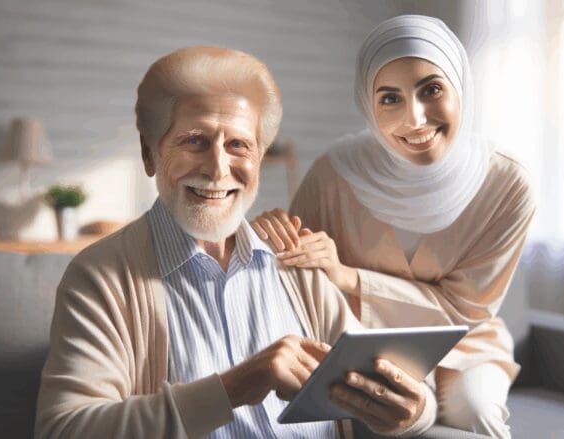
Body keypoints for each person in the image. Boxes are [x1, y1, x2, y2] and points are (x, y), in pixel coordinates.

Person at [34, 46, 438, 439]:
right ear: (149, 154)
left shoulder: (295, 262)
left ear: (258, 159)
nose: (217, 168)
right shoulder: (101, 276)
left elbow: (388, 379)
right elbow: (63, 430)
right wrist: (235, 387)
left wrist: (414, 409)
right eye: (194, 140)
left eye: (238, 145)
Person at [252, 15, 536, 438]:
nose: (416, 118)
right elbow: (293, 283)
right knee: (381, 417)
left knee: (479, 413)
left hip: (470, 343)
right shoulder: (334, 175)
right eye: (390, 99)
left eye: (432, 89)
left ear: (460, 85)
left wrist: (348, 276)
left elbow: (467, 308)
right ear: (368, 104)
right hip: (369, 345)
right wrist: (265, 237)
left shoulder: (506, 185)